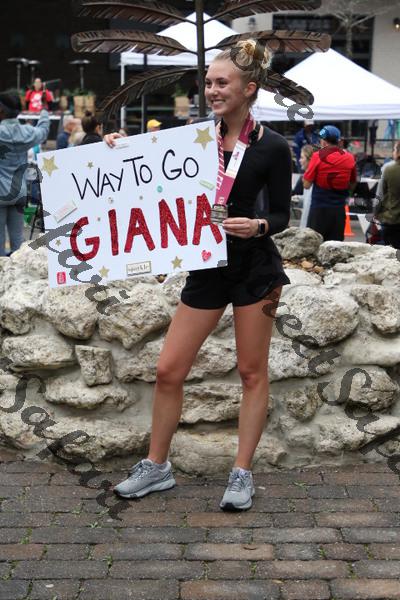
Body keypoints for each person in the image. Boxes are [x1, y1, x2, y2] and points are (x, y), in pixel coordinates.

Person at [104, 38, 292, 512]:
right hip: (206, 266)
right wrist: (116, 149)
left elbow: (283, 215)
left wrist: (259, 225)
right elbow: (143, 168)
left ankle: (242, 473)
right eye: (208, 82)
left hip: (255, 269)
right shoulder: (190, 139)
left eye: (222, 82)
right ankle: (157, 467)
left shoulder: (273, 147)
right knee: (168, 369)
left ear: (249, 89)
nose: (212, 90)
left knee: (252, 372)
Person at [0, 93, 49, 256]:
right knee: (18, 243)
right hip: (19, 191)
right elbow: (43, 131)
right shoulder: (27, 132)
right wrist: (44, 111)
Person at [303, 125, 357, 242]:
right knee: (335, 247)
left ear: (323, 141)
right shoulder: (350, 158)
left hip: (319, 211)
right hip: (338, 211)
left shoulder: (317, 156)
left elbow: (306, 185)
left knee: (314, 245)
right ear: (339, 141)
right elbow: (353, 183)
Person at [375, 141, 400, 249]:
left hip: (391, 219)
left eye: (394, 150)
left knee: (390, 253)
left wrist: (375, 212)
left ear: (398, 152)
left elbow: (379, 195)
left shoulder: (388, 168)